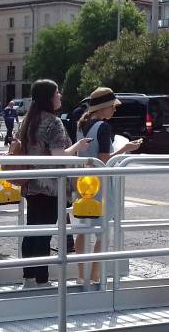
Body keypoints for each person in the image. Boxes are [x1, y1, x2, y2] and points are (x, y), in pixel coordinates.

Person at [13, 79, 90, 289]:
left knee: (32, 231)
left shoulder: (29, 121)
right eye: (57, 93)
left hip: (30, 183)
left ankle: (28, 277)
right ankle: (42, 280)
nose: (60, 97)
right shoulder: (53, 122)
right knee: (44, 233)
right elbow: (59, 155)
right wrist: (78, 146)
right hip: (50, 186)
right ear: (49, 97)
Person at [74, 87, 141, 288]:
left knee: (82, 228)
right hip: (100, 183)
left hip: (82, 181)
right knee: (103, 232)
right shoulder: (103, 127)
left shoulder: (81, 124)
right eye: (112, 107)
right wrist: (125, 149)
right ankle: (94, 275)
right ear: (103, 108)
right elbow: (103, 160)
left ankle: (80, 274)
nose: (114, 110)